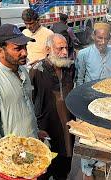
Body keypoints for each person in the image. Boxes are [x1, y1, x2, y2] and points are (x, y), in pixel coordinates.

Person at [0, 24, 39, 179]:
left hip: (26, 150)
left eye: (25, 46)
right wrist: (7, 171)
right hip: (9, 160)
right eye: (18, 49)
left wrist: (34, 130)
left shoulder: (22, 70)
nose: (25, 52)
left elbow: (25, 106)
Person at [76, 22, 111, 180]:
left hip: (107, 105)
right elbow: (79, 80)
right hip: (88, 103)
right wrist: (80, 107)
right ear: (93, 36)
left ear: (110, 39)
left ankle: (101, 162)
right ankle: (87, 171)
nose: (102, 42)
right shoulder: (84, 54)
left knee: (105, 136)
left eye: (105, 38)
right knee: (89, 138)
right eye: (99, 38)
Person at [29, 33, 75, 180]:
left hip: (67, 128)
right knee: (43, 168)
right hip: (46, 129)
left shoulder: (70, 67)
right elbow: (29, 101)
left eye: (66, 48)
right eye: (60, 48)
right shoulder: (37, 70)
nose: (64, 52)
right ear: (48, 49)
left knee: (63, 168)